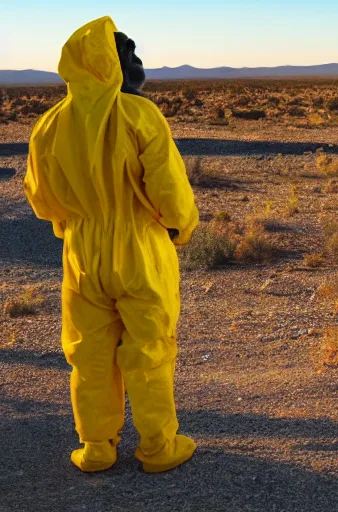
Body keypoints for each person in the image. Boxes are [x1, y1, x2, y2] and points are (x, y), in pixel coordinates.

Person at [23, 16, 199, 473]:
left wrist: (73, 222)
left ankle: (97, 448)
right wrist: (181, 226)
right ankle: (160, 448)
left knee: (89, 355)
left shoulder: (48, 124)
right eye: (129, 57)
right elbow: (169, 189)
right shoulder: (140, 114)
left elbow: (40, 199)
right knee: (149, 349)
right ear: (114, 64)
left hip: (82, 252)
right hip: (140, 246)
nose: (135, 65)